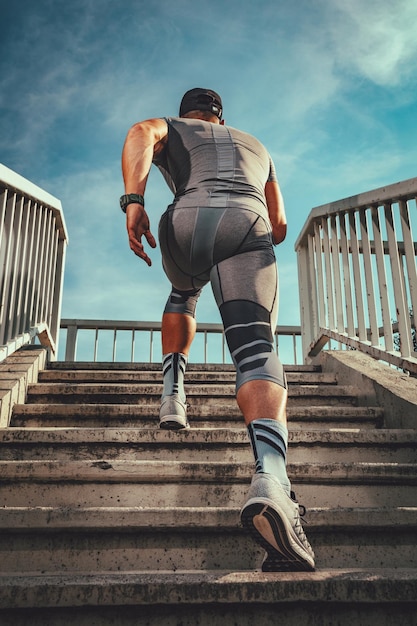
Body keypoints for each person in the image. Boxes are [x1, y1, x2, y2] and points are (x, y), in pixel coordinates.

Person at [120, 87, 315, 572]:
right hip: (247, 218)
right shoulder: (258, 146)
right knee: (254, 347)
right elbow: (281, 224)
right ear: (222, 116)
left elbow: (141, 132)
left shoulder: (173, 125)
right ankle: (272, 482)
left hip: (184, 218)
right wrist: (244, 246)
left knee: (184, 290)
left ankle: (173, 393)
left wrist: (133, 200)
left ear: (189, 113)